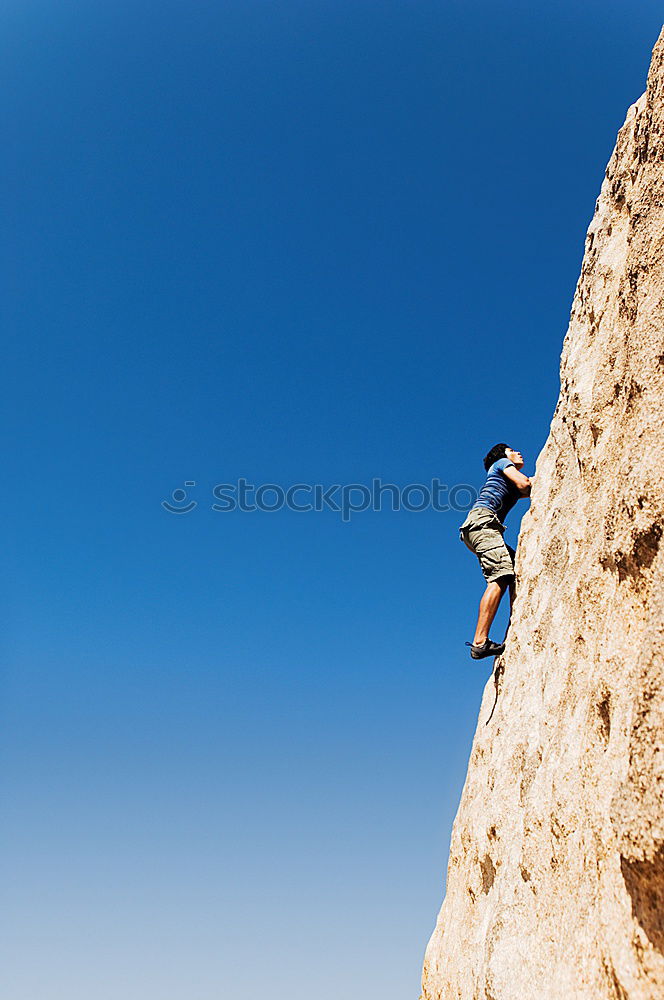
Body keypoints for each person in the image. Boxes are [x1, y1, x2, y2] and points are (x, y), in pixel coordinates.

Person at [458, 443, 532, 660]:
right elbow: (525, 483)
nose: (518, 452)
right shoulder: (501, 464)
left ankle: (515, 616)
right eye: (512, 450)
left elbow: (526, 487)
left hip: (479, 527)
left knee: (512, 565)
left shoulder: (504, 483)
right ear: (503, 456)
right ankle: (480, 642)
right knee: (500, 576)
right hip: (483, 523)